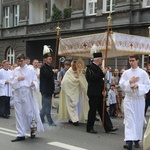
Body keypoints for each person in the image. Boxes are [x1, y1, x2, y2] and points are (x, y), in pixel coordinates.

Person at [10, 53, 44, 142]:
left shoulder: (30, 70)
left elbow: (35, 81)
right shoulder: (16, 70)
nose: (20, 62)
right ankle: (20, 134)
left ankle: (33, 128)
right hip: (18, 93)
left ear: (25, 60)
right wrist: (17, 79)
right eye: (18, 61)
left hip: (27, 92)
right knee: (19, 114)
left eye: (21, 61)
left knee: (28, 113)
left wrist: (34, 84)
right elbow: (11, 82)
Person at [119, 54, 150, 150]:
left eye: (133, 60)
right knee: (129, 120)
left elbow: (147, 86)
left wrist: (138, 86)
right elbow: (121, 84)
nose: (131, 62)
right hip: (129, 99)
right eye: (130, 61)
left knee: (138, 119)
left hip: (139, 100)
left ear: (137, 61)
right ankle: (128, 142)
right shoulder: (126, 73)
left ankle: (136, 140)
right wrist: (130, 81)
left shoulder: (143, 73)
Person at [86, 52, 118, 134]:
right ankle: (89, 127)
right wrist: (102, 73)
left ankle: (108, 127)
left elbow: (100, 81)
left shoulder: (98, 68)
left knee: (103, 110)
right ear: (97, 59)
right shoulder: (90, 67)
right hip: (93, 93)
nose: (102, 60)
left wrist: (104, 89)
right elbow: (92, 79)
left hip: (100, 93)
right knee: (92, 110)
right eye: (101, 59)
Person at [58, 60, 89, 126]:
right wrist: (74, 82)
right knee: (72, 106)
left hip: (78, 92)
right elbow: (64, 82)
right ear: (71, 65)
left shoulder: (79, 71)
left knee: (78, 105)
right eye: (73, 65)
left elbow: (83, 81)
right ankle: (74, 120)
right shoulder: (69, 72)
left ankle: (75, 118)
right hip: (70, 92)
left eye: (75, 65)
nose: (74, 67)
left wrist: (80, 80)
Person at [40, 45, 56, 126]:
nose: (51, 60)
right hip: (45, 89)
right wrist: (53, 72)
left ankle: (41, 118)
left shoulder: (50, 67)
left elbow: (51, 80)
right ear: (45, 59)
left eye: (51, 59)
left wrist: (53, 89)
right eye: (49, 59)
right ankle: (50, 121)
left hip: (49, 89)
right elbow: (48, 75)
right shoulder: (43, 67)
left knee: (46, 105)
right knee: (46, 105)